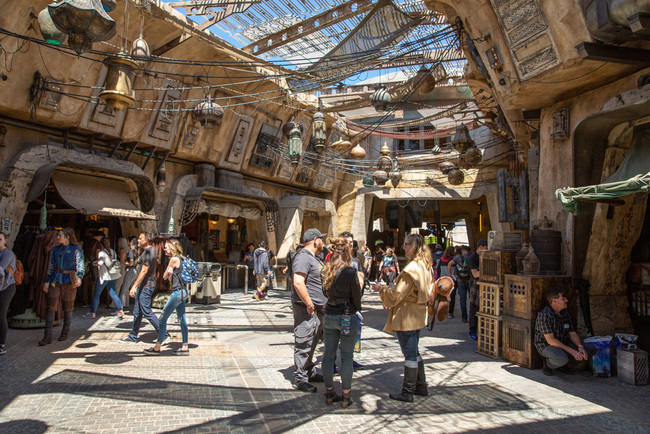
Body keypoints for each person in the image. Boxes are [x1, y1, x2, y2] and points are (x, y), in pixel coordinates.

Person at [372, 233, 433, 402]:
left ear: (414, 247)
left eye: (407, 244)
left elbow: (397, 295)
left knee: (409, 353)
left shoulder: (411, 269)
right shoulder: (425, 265)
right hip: (418, 313)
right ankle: (421, 387)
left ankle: (407, 392)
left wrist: (380, 289)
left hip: (407, 314)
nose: (403, 247)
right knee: (414, 351)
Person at [321, 237, 362, 408]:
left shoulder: (325, 270)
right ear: (347, 252)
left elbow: (324, 292)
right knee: (346, 357)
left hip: (329, 314)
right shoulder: (350, 272)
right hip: (347, 314)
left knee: (328, 355)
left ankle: (330, 392)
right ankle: (346, 395)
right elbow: (357, 298)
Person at [292, 228, 327, 393]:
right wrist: (309, 304)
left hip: (317, 309)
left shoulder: (314, 258)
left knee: (312, 342)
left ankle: (309, 370)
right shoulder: (303, 258)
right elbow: (298, 282)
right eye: (321, 239)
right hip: (306, 309)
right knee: (304, 341)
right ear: (315, 240)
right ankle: (300, 378)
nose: (323, 242)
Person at [120, 232, 167, 344]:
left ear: (146, 240)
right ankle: (133, 336)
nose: (138, 241)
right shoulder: (146, 252)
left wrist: (134, 286)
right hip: (143, 286)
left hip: (146, 286)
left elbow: (144, 270)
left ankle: (163, 333)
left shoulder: (149, 252)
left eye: (140, 239)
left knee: (146, 310)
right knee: (137, 311)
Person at [535, 289, 596, 376]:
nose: (566, 300)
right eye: (563, 299)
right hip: (547, 345)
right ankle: (549, 364)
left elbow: (572, 333)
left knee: (590, 349)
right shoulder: (544, 315)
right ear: (554, 301)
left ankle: (565, 365)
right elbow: (550, 340)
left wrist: (580, 347)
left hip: (563, 342)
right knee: (561, 358)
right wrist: (572, 352)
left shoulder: (564, 314)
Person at [144, 239, 190, 356]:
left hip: (176, 293)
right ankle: (185, 346)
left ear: (172, 248)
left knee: (162, 318)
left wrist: (168, 272)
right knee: (182, 318)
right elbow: (172, 278)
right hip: (183, 292)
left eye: (166, 247)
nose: (165, 250)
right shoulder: (182, 259)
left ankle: (157, 346)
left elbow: (164, 276)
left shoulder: (173, 260)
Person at [40, 227, 85, 345]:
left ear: (67, 237)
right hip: (55, 280)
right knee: (51, 307)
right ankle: (47, 336)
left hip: (69, 281)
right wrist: (46, 281)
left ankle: (65, 332)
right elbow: (51, 266)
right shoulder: (55, 249)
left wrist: (79, 277)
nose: (57, 237)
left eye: (60, 235)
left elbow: (80, 264)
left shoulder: (76, 249)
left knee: (68, 307)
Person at [84, 237, 123, 319]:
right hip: (113, 275)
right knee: (113, 293)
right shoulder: (113, 252)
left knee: (97, 294)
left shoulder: (102, 253)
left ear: (101, 244)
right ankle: (120, 310)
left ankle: (92, 312)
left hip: (104, 276)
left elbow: (101, 262)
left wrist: (94, 263)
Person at [0, 231, 17, 355]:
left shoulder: (8, 253)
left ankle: (1, 344)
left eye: (0, 239)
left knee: (1, 315)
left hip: (6, 288)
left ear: (5, 240)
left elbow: (1, 268)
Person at [467, 239, 488, 340]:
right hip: (476, 285)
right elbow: (475, 274)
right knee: (474, 308)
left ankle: (481, 329)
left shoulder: (485, 256)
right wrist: (489, 269)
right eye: (486, 248)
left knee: (483, 308)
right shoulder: (473, 258)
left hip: (485, 285)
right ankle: (473, 330)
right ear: (481, 247)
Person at [448, 245, 471, 323]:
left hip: (460, 280)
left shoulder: (458, 258)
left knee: (462, 300)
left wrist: (450, 273)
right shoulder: (471, 257)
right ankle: (472, 316)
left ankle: (464, 317)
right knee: (471, 300)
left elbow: (450, 263)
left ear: (462, 251)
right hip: (470, 281)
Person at [436, 246, 455, 318]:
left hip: (442, 280)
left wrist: (439, 278)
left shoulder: (441, 259)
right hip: (451, 280)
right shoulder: (453, 260)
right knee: (452, 297)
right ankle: (450, 313)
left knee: (443, 297)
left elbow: (438, 269)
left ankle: (442, 311)